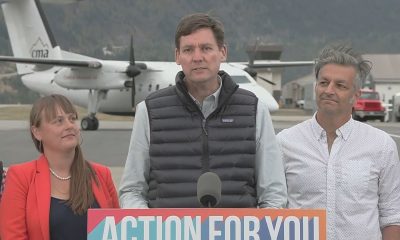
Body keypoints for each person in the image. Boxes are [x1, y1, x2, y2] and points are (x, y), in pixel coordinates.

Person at [119, 13, 287, 208]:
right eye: (188, 49)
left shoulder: (255, 110)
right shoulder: (148, 111)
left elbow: (274, 193)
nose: (197, 57)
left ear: (223, 52)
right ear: (177, 56)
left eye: (206, 48)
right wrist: (151, 229)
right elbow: (132, 190)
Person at [277, 44, 400, 240]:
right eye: (324, 82)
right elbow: (273, 210)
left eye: (340, 85)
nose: (329, 90)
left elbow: (392, 217)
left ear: (356, 96)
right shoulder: (284, 143)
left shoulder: (381, 146)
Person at [0, 94, 119, 240]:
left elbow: (117, 233)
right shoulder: (20, 177)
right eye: (59, 121)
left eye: (72, 119)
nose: (69, 125)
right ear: (37, 132)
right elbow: (13, 236)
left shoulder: (101, 174)